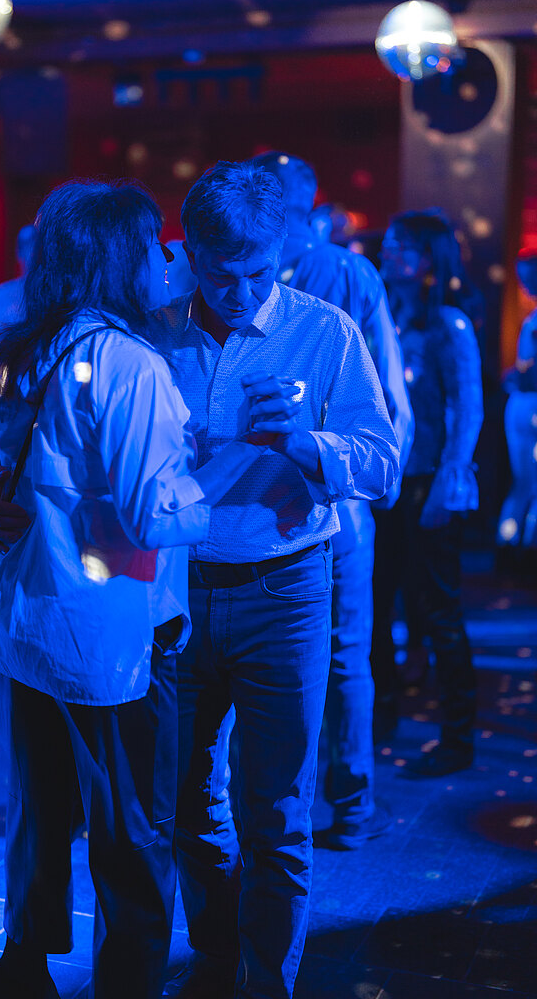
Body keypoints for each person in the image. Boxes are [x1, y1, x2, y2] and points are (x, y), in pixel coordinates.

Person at [0, 162, 400, 999]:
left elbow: (384, 464)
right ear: (187, 254)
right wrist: (16, 500)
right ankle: (212, 959)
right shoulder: (150, 336)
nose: (241, 294)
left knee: (276, 813)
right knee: (183, 806)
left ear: (282, 252)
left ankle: (266, 984)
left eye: (259, 274)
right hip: (168, 594)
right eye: (220, 274)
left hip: (285, 591)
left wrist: (306, 445)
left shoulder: (324, 332)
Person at [0, 179, 267, 999]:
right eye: (153, 243)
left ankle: (21, 969)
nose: (168, 258)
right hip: (111, 639)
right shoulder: (129, 362)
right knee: (134, 832)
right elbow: (157, 515)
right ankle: (125, 984)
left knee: (37, 812)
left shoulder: (17, 351)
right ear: (118, 256)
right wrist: (238, 451)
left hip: (22, 625)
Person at [251, 152, 414, 851]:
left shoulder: (237, 271)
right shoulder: (351, 272)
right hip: (341, 496)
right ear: (314, 204)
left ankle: (268, 806)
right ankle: (352, 806)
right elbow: (392, 402)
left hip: (254, 498)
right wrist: (384, 481)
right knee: (348, 652)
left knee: (261, 658)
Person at [372, 208, 483, 776]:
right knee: (375, 605)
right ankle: (380, 718)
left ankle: (458, 739)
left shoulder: (448, 325)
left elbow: (468, 407)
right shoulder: (384, 316)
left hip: (431, 482)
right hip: (387, 485)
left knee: (438, 611)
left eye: (402, 246)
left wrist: (450, 477)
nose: (389, 253)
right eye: (389, 244)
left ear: (428, 259)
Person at [498, 251, 537, 549]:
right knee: (525, 481)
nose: (526, 285)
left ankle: (514, 542)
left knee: (525, 482)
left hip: (523, 404)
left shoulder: (531, 321)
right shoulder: (530, 321)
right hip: (526, 405)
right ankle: (517, 546)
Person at [0, 224, 37, 361]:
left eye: (36, 245)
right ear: (19, 252)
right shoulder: (1, 293)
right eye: (27, 245)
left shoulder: (53, 295)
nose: (32, 252)